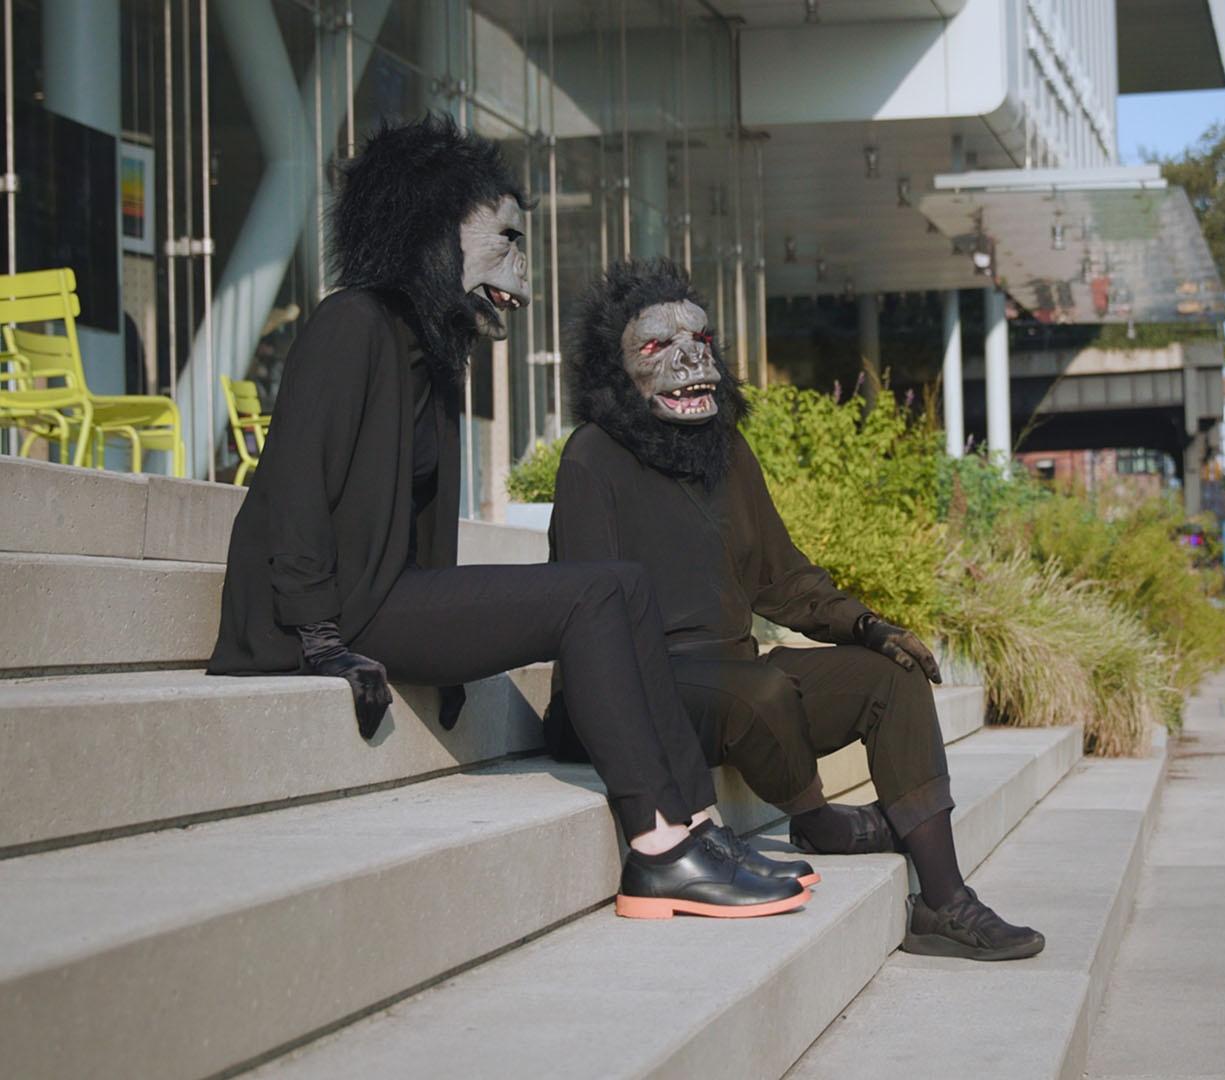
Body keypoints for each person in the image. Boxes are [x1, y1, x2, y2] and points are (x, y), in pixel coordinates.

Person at [206, 116, 809, 921]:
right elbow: (292, 494)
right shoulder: (349, 324)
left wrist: (452, 654)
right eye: (505, 241)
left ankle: (691, 822)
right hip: (326, 615)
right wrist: (318, 637)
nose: (521, 270)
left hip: (387, 596)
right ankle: (657, 851)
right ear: (429, 230)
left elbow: (424, 530)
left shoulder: (432, 353)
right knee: (594, 594)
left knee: (621, 586)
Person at [542, 259, 1045, 962]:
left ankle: (943, 900)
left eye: (702, 339)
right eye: (657, 345)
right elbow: (584, 622)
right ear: (614, 368)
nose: (692, 358)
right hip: (640, 690)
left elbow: (781, 578)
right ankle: (818, 823)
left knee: (890, 679)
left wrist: (870, 627)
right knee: (761, 688)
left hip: (735, 682)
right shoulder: (590, 459)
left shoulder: (727, 452)